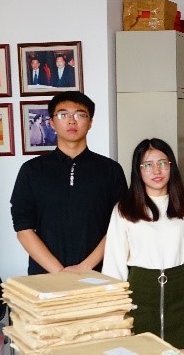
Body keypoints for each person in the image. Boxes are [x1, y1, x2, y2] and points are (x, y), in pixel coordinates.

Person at [103, 138, 184, 352]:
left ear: (171, 166)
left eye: (162, 163)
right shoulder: (124, 209)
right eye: (148, 165)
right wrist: (114, 307)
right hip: (140, 293)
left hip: (181, 292)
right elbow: (114, 263)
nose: (156, 170)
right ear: (138, 170)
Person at [10, 91, 127, 274]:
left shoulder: (110, 170)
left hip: (99, 273)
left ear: (90, 122)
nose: (72, 121)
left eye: (80, 115)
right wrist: (59, 272)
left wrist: (84, 267)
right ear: (51, 122)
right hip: (46, 275)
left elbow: (120, 225)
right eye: (63, 115)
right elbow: (23, 227)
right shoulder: (32, 170)